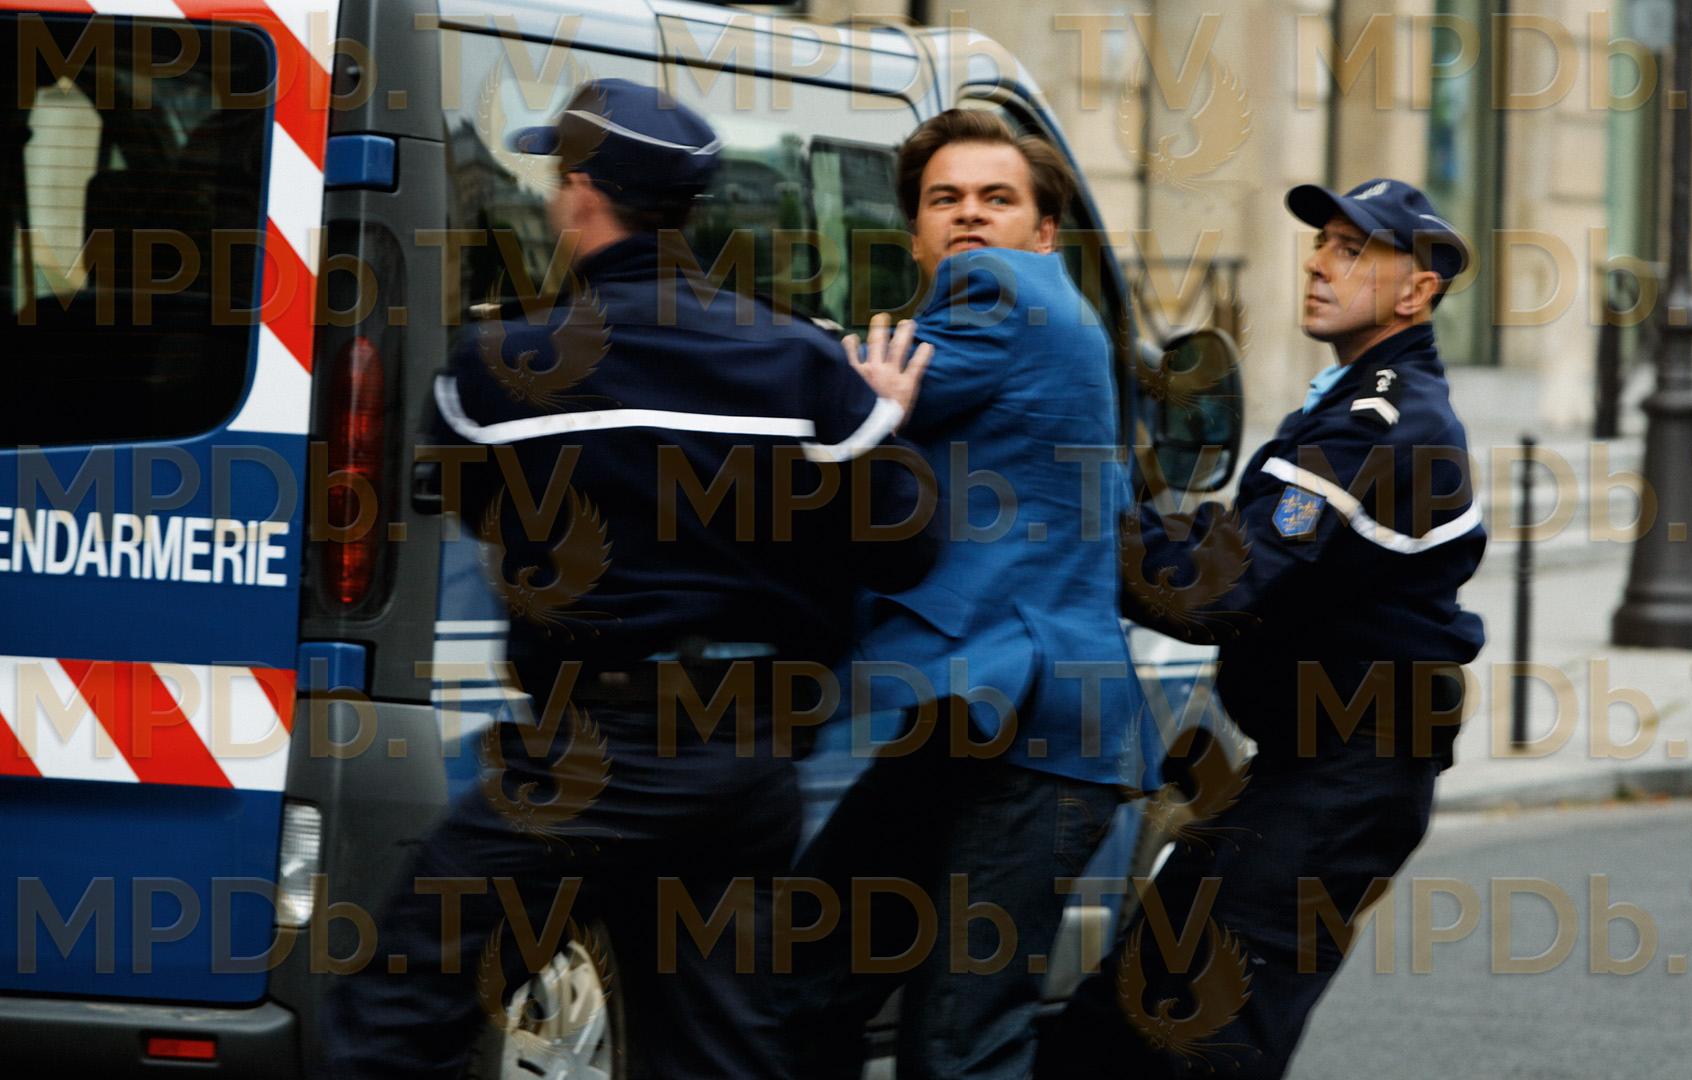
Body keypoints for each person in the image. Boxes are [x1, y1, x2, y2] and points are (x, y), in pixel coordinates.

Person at [324, 79, 936, 1079]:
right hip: (742, 763)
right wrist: (874, 428)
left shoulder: (502, 367)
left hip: (588, 753)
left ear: (581, 193)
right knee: (712, 1052)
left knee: (396, 1006)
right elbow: (906, 544)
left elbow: (479, 509)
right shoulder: (801, 365)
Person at [1034, 178, 1488, 1077]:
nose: (1319, 264)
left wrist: (1081, 517)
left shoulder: (1380, 423)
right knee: (1122, 1013)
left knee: (1215, 1033)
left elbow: (1219, 589)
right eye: (1322, 243)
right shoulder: (1350, 402)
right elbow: (1237, 545)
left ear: (1417, 290)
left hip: (1348, 778)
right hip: (1302, 766)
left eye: (1353, 250)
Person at [778, 109, 1151, 1079]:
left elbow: (828, 396)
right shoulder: (1043, 329)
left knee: (958, 1043)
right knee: (798, 982)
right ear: (914, 233)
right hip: (974, 719)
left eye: (997, 198)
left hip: (1037, 734)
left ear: (1043, 233)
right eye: (945, 200)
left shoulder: (1005, 291)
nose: (971, 216)